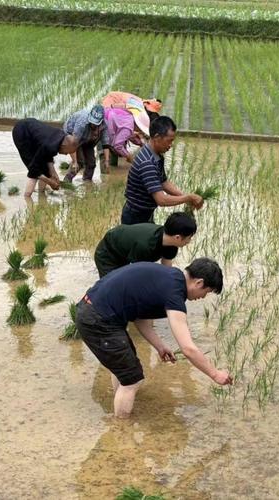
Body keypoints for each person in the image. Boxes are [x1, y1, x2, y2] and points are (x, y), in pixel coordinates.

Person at [75, 257, 233, 417]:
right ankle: (121, 431)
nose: (203, 297)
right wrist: (215, 374)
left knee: (124, 368)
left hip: (91, 309)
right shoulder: (175, 293)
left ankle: (121, 401)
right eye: (206, 292)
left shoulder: (169, 277)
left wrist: (160, 346)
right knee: (132, 379)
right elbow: (188, 348)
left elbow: (138, 316)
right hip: (98, 319)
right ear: (199, 283)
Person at [122, 116, 203, 225]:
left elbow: (163, 182)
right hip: (135, 217)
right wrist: (187, 197)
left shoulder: (156, 155)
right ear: (157, 137)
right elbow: (161, 200)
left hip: (145, 212)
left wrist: (185, 196)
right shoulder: (147, 162)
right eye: (169, 141)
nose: (170, 145)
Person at [94, 212, 196, 278]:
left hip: (125, 252)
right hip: (108, 254)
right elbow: (137, 272)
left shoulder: (171, 243)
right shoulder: (146, 246)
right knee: (111, 285)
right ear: (177, 237)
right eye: (189, 238)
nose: (189, 241)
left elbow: (167, 268)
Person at [12, 118, 79, 197]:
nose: (66, 154)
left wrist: (53, 173)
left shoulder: (60, 139)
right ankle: (27, 197)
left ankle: (41, 194)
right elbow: (33, 169)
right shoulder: (49, 145)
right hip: (21, 132)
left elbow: (48, 156)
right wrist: (50, 182)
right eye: (67, 152)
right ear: (64, 146)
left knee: (45, 168)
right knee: (33, 169)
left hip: (32, 130)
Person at [62, 104, 107, 182]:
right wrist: (75, 161)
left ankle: (87, 181)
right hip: (72, 135)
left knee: (91, 163)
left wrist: (106, 160)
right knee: (79, 163)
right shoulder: (82, 123)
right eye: (92, 122)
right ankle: (67, 180)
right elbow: (73, 143)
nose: (94, 124)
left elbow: (105, 143)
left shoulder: (104, 125)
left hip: (88, 139)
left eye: (96, 123)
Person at [98, 107, 149, 171]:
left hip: (107, 124)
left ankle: (112, 173)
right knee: (105, 161)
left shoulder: (129, 117)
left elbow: (130, 135)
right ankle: (105, 178)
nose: (141, 131)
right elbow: (118, 146)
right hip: (101, 129)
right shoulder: (128, 127)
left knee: (113, 165)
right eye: (141, 129)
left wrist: (141, 144)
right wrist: (128, 156)